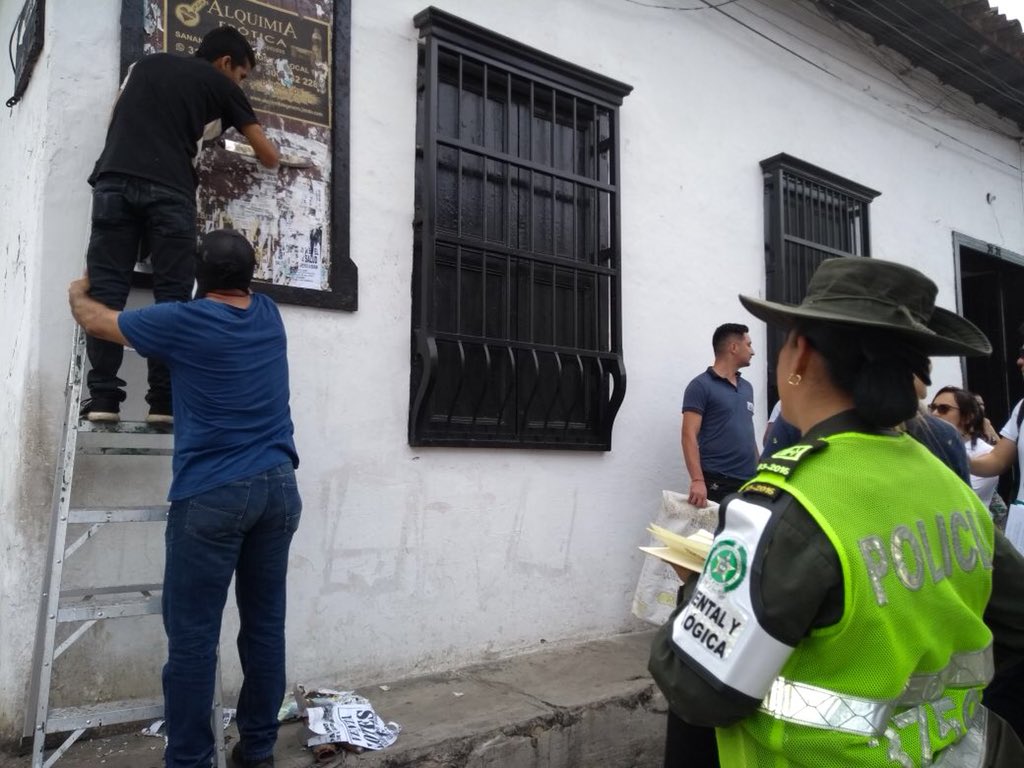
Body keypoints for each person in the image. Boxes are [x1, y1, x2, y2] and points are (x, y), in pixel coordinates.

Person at [650, 257, 1024, 766]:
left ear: (799, 353)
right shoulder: (951, 489)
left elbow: (694, 688)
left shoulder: (788, 502)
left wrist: (701, 586)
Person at [68, 230, 300, 768]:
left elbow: (98, 321)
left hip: (214, 494)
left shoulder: (182, 322)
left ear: (200, 278)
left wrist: (81, 288)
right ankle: (257, 751)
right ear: (248, 276)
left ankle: (192, 761)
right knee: (264, 629)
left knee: (193, 640)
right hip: (279, 487)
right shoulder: (268, 314)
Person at [82, 26, 280, 425]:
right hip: (171, 192)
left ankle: (103, 399)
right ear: (225, 63)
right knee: (172, 296)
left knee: (105, 292)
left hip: (115, 180)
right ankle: (163, 404)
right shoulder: (221, 86)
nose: (240, 83)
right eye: (242, 75)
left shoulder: (146, 65)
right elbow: (268, 155)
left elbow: (115, 116)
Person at [681, 323, 759, 508]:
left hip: (749, 483)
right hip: (718, 481)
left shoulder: (747, 387)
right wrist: (698, 480)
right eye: (748, 344)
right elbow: (688, 435)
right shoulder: (700, 386)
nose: (753, 351)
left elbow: (748, 433)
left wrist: (760, 473)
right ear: (733, 347)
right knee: (715, 537)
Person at [930, 385, 999, 507]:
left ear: (967, 417)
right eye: (932, 408)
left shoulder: (985, 453)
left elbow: (957, 494)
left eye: (943, 409)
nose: (935, 414)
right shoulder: (926, 447)